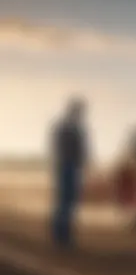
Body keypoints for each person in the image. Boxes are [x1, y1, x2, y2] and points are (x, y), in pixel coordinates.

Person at [50, 96, 89, 249]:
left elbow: (82, 149)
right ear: (74, 110)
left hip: (72, 167)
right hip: (67, 166)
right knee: (65, 201)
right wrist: (73, 161)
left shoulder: (74, 128)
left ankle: (63, 234)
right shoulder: (67, 127)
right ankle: (61, 236)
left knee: (69, 201)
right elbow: (62, 149)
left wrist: (82, 162)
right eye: (79, 110)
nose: (81, 113)